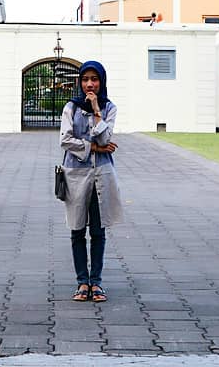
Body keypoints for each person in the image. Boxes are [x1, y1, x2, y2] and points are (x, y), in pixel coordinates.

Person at [59, 60, 124, 302]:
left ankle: (96, 283)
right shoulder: (71, 108)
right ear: (80, 81)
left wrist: (97, 110)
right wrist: (95, 147)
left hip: (102, 175)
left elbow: (107, 135)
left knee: (98, 230)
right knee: (77, 229)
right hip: (76, 173)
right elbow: (65, 140)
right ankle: (81, 283)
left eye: (94, 79)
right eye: (85, 79)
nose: (89, 84)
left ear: (101, 81)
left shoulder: (109, 108)